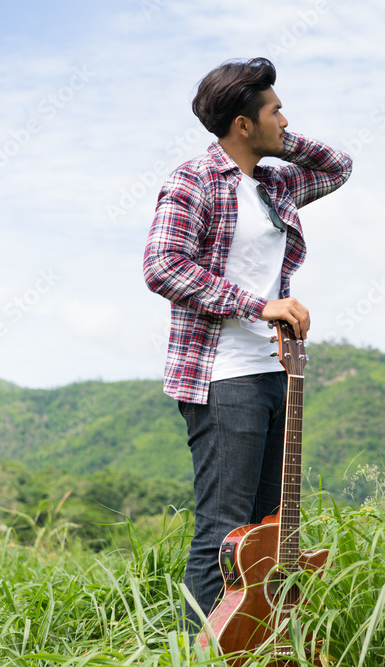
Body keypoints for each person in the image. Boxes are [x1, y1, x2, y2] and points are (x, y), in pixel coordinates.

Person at [142, 57, 352, 632]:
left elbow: (337, 166)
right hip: (220, 373)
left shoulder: (274, 184)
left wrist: (276, 138)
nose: (287, 119)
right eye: (275, 110)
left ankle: (252, 648)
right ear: (241, 123)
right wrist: (258, 305)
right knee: (223, 528)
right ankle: (197, 651)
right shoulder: (193, 180)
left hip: (274, 370)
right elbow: (162, 266)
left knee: (267, 532)